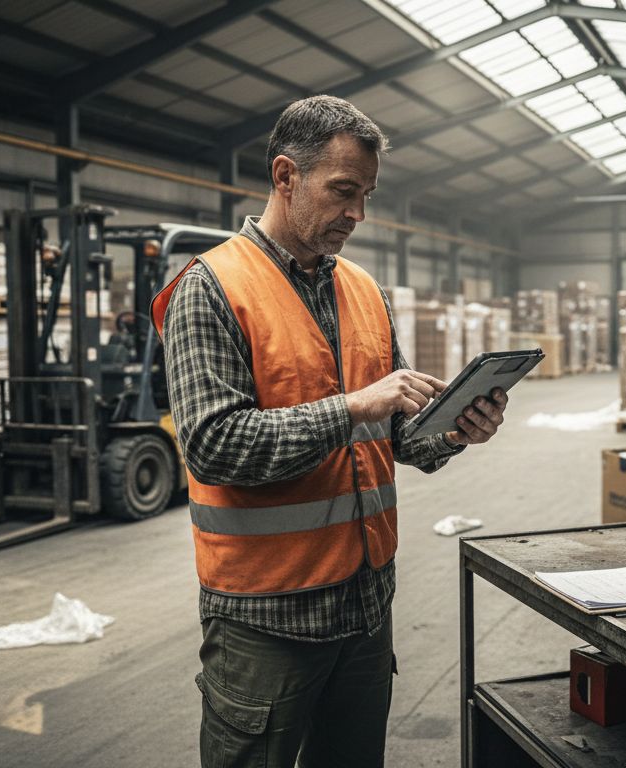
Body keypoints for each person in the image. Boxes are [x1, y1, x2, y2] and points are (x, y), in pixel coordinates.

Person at [152, 95, 509, 767]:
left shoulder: (364, 290)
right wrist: (353, 406)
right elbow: (213, 446)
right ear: (286, 176)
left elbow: (401, 436)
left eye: (367, 194)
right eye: (344, 191)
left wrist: (458, 429)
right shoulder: (212, 286)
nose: (358, 214)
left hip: (366, 609)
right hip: (267, 622)